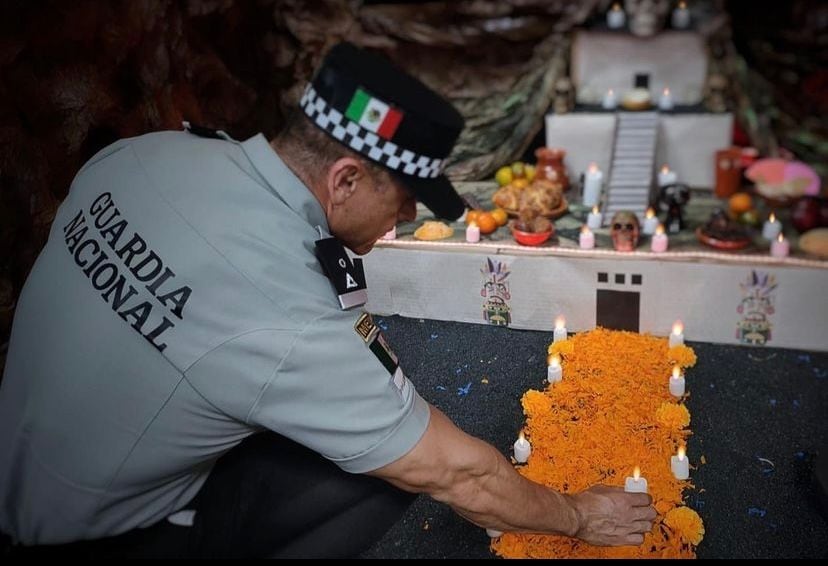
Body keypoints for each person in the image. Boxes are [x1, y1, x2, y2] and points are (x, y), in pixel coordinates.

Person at [0, 42, 655, 558]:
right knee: (375, 478)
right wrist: (579, 515)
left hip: (21, 468)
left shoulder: (143, 154)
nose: (399, 220)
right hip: (92, 534)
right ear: (346, 179)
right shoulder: (285, 309)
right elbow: (463, 476)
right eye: (401, 200)